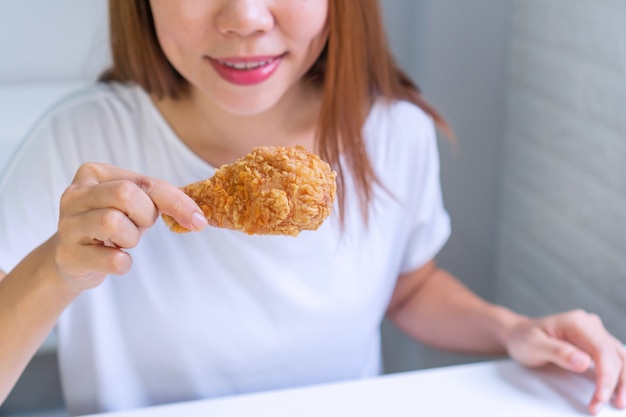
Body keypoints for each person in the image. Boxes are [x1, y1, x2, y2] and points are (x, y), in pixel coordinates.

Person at [0, 0, 624, 415]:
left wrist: (510, 330)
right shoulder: (81, 147)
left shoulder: (393, 132)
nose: (244, 17)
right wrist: (54, 270)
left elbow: (408, 289)